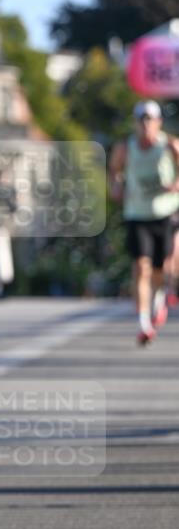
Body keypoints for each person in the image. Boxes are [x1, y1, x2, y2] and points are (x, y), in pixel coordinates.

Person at [108, 100, 179, 345]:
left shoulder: (169, 145)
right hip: (137, 214)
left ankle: (159, 299)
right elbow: (114, 171)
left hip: (164, 213)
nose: (146, 124)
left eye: (150, 119)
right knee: (141, 267)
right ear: (136, 123)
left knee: (161, 270)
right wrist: (116, 186)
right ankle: (143, 323)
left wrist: (176, 184)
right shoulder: (125, 148)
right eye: (142, 120)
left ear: (158, 122)